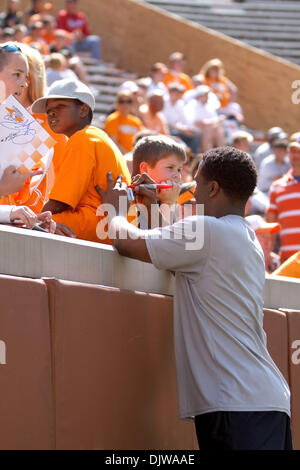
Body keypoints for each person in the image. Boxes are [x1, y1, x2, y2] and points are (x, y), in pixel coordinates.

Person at [95, 146, 292, 450]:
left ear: (213, 188)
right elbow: (172, 253)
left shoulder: (206, 231)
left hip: (237, 405)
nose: (192, 191)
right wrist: (151, 208)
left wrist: (114, 210)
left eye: (197, 183)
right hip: (260, 402)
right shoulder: (245, 237)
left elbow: (126, 242)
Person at [31, 78, 131, 243]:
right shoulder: (95, 136)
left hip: (98, 224)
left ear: (83, 110)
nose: (52, 113)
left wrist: (35, 219)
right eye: (48, 111)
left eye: (60, 106)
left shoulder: (83, 138)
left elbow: (58, 204)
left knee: (25, 222)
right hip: (109, 226)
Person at [0, 42, 54, 232]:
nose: (24, 83)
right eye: (17, 74)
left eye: (26, 76)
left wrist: (30, 219)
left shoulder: (12, 127)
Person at [131, 135, 185, 226]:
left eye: (179, 169)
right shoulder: (129, 199)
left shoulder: (170, 197)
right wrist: (167, 204)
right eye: (170, 167)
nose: (177, 175)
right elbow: (163, 238)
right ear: (145, 169)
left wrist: (169, 202)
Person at [266, 140, 300, 263]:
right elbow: (271, 225)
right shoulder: (276, 186)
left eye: (299, 151)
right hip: (287, 260)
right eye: (293, 151)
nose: (296, 155)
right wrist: (267, 252)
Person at [184, 85, 225, 152]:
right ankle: (208, 154)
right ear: (199, 96)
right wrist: (211, 122)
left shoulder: (208, 106)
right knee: (208, 129)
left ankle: (222, 152)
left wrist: (211, 122)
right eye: (205, 95)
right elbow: (197, 123)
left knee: (218, 129)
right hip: (194, 130)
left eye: (207, 95)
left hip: (207, 129)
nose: (207, 97)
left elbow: (214, 121)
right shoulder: (193, 104)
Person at [162, 82, 200, 155]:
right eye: (175, 92)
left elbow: (184, 120)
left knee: (194, 135)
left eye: (179, 93)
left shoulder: (180, 103)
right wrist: (181, 129)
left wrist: (188, 129)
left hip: (177, 129)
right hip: (167, 130)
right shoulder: (163, 102)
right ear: (170, 92)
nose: (178, 95)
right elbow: (164, 122)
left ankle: (193, 158)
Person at [104, 89, 143, 155]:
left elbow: (139, 141)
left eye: (128, 101)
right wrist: (127, 155)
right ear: (117, 103)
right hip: (118, 156)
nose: (125, 104)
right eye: (122, 101)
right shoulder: (112, 119)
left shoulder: (136, 121)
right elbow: (113, 142)